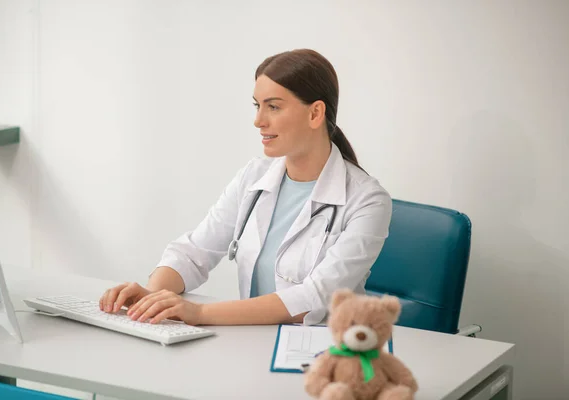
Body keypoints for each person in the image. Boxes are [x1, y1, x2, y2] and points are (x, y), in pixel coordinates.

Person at [99, 49, 392, 326]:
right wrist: (155, 296)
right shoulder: (253, 177)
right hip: (254, 343)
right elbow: (194, 252)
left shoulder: (367, 201)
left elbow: (313, 298)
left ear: (315, 113)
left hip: (324, 353)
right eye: (257, 105)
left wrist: (198, 312)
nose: (258, 121)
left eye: (273, 107)